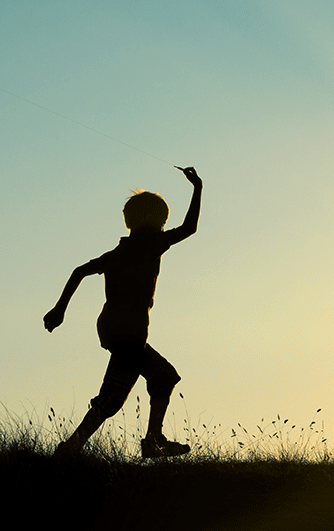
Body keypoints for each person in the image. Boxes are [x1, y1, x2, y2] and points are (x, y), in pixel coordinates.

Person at [43, 166, 203, 458]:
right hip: (129, 330)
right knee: (149, 382)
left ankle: (74, 447)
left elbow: (80, 271)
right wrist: (197, 187)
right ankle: (149, 441)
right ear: (153, 222)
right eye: (162, 222)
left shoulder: (117, 254)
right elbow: (190, 228)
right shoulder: (151, 244)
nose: (164, 228)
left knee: (142, 385)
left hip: (113, 328)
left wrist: (60, 309)